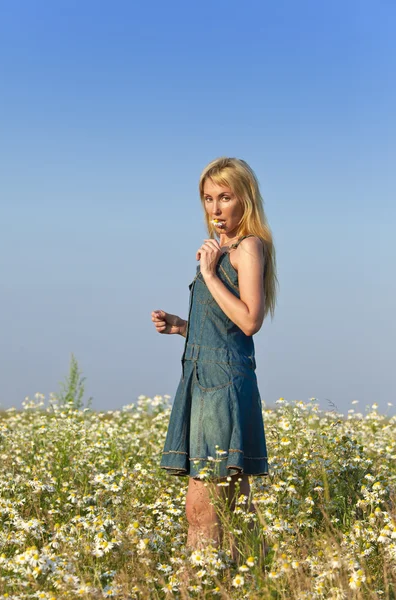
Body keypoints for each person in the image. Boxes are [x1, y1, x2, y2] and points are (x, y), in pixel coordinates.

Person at [151, 157, 278, 561]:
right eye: (208, 198)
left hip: (222, 386)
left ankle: (198, 583)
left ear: (246, 199)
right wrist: (182, 327)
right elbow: (223, 327)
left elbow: (250, 320)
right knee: (234, 504)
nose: (215, 208)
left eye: (225, 197)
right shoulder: (221, 249)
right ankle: (252, 580)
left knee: (201, 507)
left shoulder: (248, 247)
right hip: (203, 379)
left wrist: (208, 274)